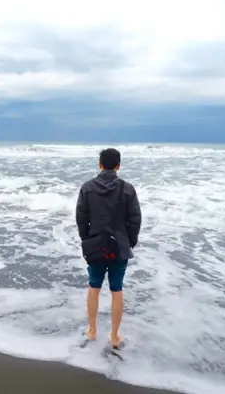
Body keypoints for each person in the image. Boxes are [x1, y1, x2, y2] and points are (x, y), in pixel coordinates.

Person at [75, 147, 142, 349]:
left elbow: (81, 217)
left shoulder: (87, 188)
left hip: (95, 246)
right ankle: (114, 336)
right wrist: (129, 241)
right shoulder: (127, 189)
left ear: (100, 164)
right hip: (119, 247)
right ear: (118, 166)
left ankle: (92, 330)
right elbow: (135, 219)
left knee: (94, 287)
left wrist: (86, 239)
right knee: (116, 289)